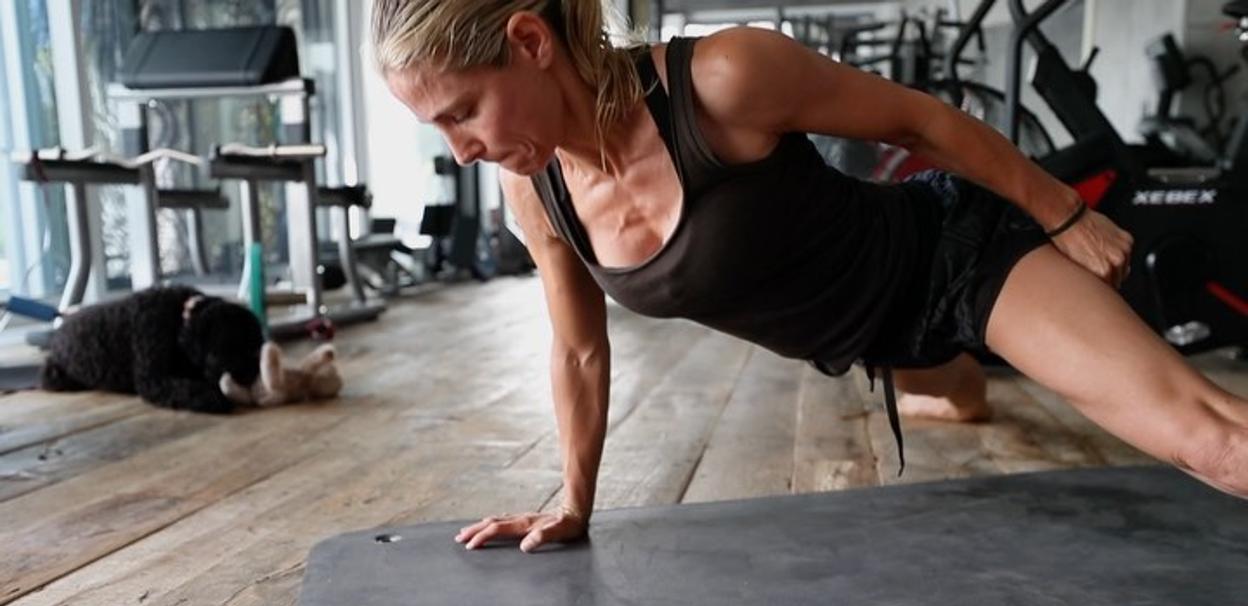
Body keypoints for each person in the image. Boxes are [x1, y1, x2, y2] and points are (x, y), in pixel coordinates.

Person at [371, 0, 1248, 552]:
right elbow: (578, 353)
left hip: (949, 262)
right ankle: (958, 381)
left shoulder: (722, 79)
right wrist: (573, 502)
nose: (463, 150)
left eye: (463, 113)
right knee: (959, 391)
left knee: (1209, 443)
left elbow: (922, 120)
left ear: (529, 40)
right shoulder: (537, 191)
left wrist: (1064, 212)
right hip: (859, 342)